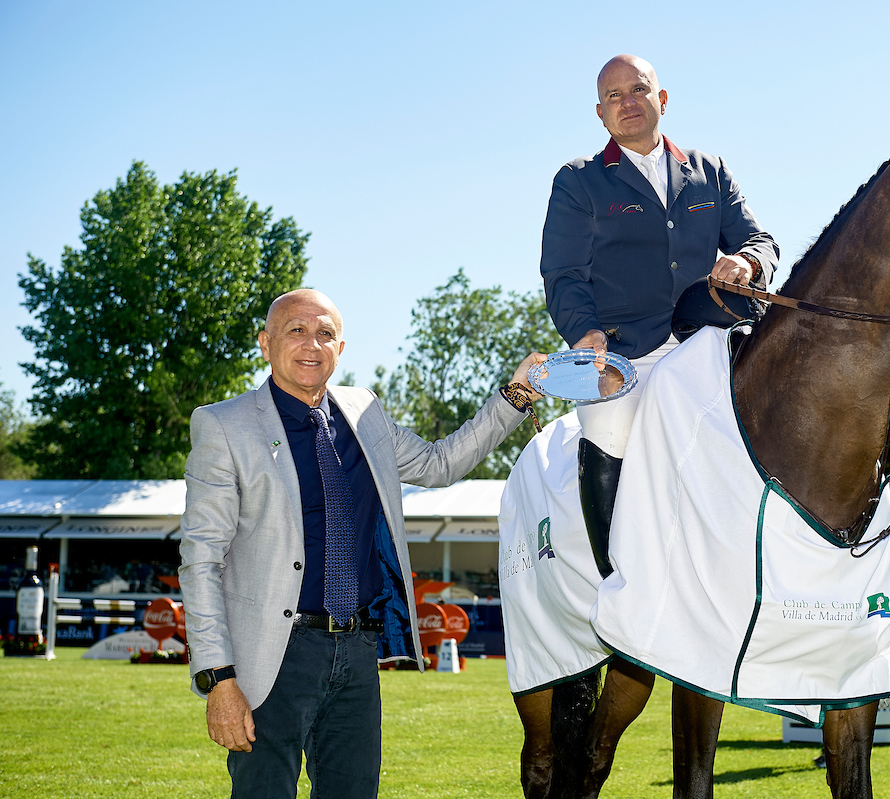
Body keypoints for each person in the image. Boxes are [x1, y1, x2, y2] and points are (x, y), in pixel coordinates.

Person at [178, 288, 545, 798]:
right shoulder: (223, 424)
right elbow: (201, 560)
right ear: (265, 343)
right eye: (295, 330)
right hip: (270, 658)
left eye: (325, 333)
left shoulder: (363, 410)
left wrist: (516, 396)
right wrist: (218, 678)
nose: (312, 344)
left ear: (342, 348)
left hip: (356, 652)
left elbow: (440, 464)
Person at [540, 53, 779, 578]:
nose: (627, 103)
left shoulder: (710, 172)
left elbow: (761, 240)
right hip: (624, 353)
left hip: (710, 342)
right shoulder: (578, 182)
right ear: (600, 114)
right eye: (613, 96)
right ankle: (616, 582)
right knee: (609, 424)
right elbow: (563, 274)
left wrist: (746, 260)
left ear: (661, 100)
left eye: (638, 90)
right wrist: (586, 333)